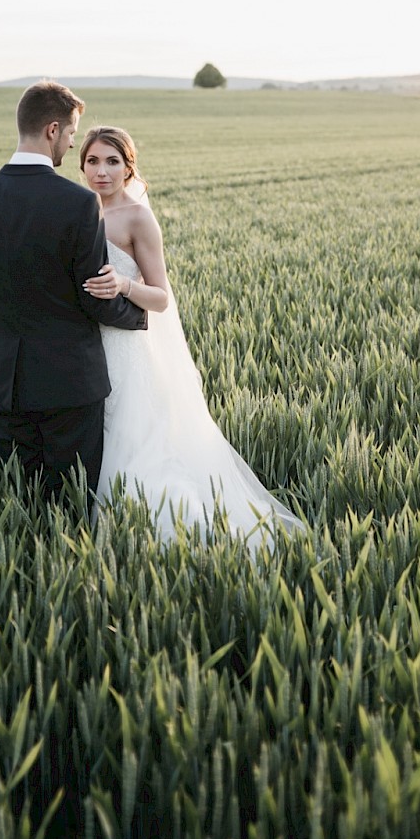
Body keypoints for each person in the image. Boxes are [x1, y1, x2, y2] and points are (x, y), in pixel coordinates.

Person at [80, 125, 302, 543]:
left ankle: (157, 528)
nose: (102, 171)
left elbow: (161, 296)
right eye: (93, 161)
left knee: (135, 443)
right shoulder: (80, 210)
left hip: (128, 349)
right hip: (89, 347)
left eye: (112, 162)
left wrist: (124, 285)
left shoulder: (138, 217)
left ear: (129, 169)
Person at [0, 82, 148, 502]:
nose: (72, 144)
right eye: (73, 135)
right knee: (73, 502)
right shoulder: (78, 203)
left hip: (6, 383)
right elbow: (94, 293)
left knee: (20, 502)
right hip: (71, 384)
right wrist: (139, 316)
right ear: (52, 130)